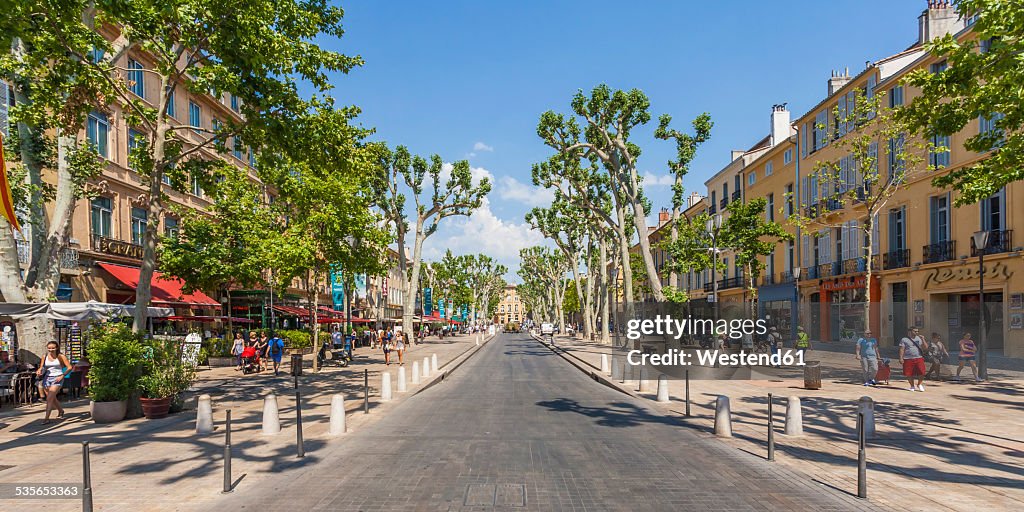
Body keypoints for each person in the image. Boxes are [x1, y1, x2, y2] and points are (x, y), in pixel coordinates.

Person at [36, 341, 70, 424]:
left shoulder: (61, 356)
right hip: (47, 378)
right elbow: (42, 367)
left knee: (49, 398)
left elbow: (69, 367)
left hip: (58, 378)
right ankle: (61, 411)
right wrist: (39, 370)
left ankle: (46, 418)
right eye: (49, 348)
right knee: (52, 398)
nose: (51, 350)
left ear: (57, 348)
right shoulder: (45, 356)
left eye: (53, 348)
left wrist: (62, 375)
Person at [899, 327, 929, 392]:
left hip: (919, 357)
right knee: (909, 373)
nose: (917, 333)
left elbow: (926, 348)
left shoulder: (919, 338)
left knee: (922, 372)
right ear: (910, 331)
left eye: (917, 331)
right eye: (915, 331)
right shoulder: (904, 339)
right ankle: (912, 386)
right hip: (908, 358)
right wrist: (901, 358)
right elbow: (902, 349)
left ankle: (919, 384)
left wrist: (923, 339)